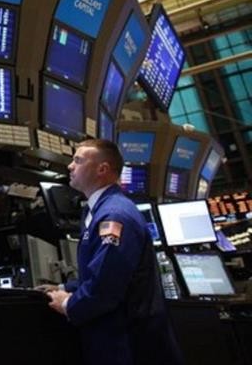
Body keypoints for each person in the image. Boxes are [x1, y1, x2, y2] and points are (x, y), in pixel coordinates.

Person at [41, 139, 183, 365]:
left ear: (102, 169)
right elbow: (102, 274)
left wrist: (68, 304)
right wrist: (64, 288)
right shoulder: (98, 211)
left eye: (78, 160)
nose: (70, 166)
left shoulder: (114, 215)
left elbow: (106, 285)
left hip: (129, 344)